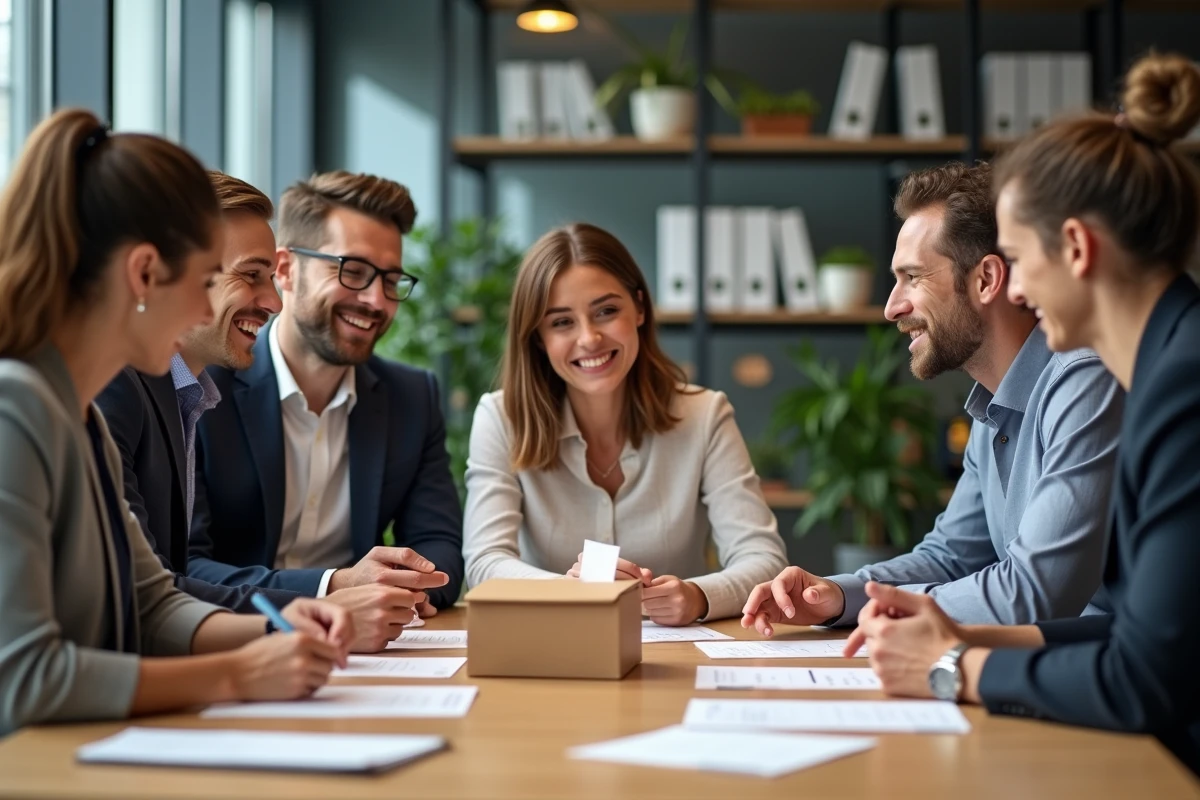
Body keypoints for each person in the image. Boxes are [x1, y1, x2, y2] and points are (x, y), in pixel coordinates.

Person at [845, 52, 1200, 777]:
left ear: (1074, 249)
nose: (1015, 289)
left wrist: (949, 667)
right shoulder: (1172, 361)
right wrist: (948, 633)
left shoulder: (1182, 384)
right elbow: (1127, 637)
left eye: (1017, 256)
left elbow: (1142, 678)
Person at [0, 109, 352, 734]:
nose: (201, 308)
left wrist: (275, 625)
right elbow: (23, 679)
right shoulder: (15, 411)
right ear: (141, 274)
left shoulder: (79, 418)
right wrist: (238, 674)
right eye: (202, 282)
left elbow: (152, 602)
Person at [741, 161, 1124, 632]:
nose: (891, 307)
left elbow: (1032, 593)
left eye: (914, 277)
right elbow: (951, 557)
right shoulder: (993, 406)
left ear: (986, 279)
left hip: (1103, 687)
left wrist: (889, 608)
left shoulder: (1084, 382)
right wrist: (837, 595)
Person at [96, 172, 425, 651]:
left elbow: (156, 591)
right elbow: (145, 598)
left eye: (269, 278)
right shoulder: (115, 387)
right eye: (251, 275)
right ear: (159, 271)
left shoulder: (182, 394)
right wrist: (315, 613)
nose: (273, 301)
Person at [463, 222, 788, 625]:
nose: (589, 338)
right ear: (537, 337)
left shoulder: (705, 415)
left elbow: (763, 557)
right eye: (562, 322)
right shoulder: (501, 419)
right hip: (553, 645)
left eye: (606, 311)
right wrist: (569, 593)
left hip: (675, 655)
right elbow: (484, 562)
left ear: (638, 308)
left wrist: (697, 596)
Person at [188, 170, 463, 616]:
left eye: (391, 281)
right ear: (287, 270)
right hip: (240, 640)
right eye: (353, 271)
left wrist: (397, 588)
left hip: (372, 651)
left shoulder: (412, 396)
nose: (376, 301)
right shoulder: (202, 386)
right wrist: (334, 588)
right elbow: (185, 566)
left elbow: (441, 548)